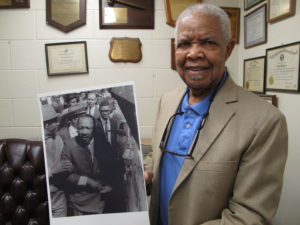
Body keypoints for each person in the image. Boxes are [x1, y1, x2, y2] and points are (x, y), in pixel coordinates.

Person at [144, 3, 288, 225]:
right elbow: (159, 155)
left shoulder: (265, 122)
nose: (193, 53)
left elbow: (249, 216)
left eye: (208, 42)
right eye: (184, 44)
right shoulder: (167, 101)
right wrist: (146, 175)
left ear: (228, 49)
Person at [61, 114, 111, 216]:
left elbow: (112, 168)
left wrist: (111, 185)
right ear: (77, 128)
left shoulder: (103, 144)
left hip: (101, 197)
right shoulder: (69, 145)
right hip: (79, 199)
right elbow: (66, 175)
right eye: (81, 128)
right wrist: (87, 181)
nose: (84, 132)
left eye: (88, 128)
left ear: (94, 129)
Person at [42, 104, 73, 217]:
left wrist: (68, 166)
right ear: (46, 124)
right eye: (55, 121)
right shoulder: (36, 144)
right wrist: (52, 170)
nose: (58, 123)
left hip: (59, 194)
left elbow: (63, 160)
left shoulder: (58, 139)